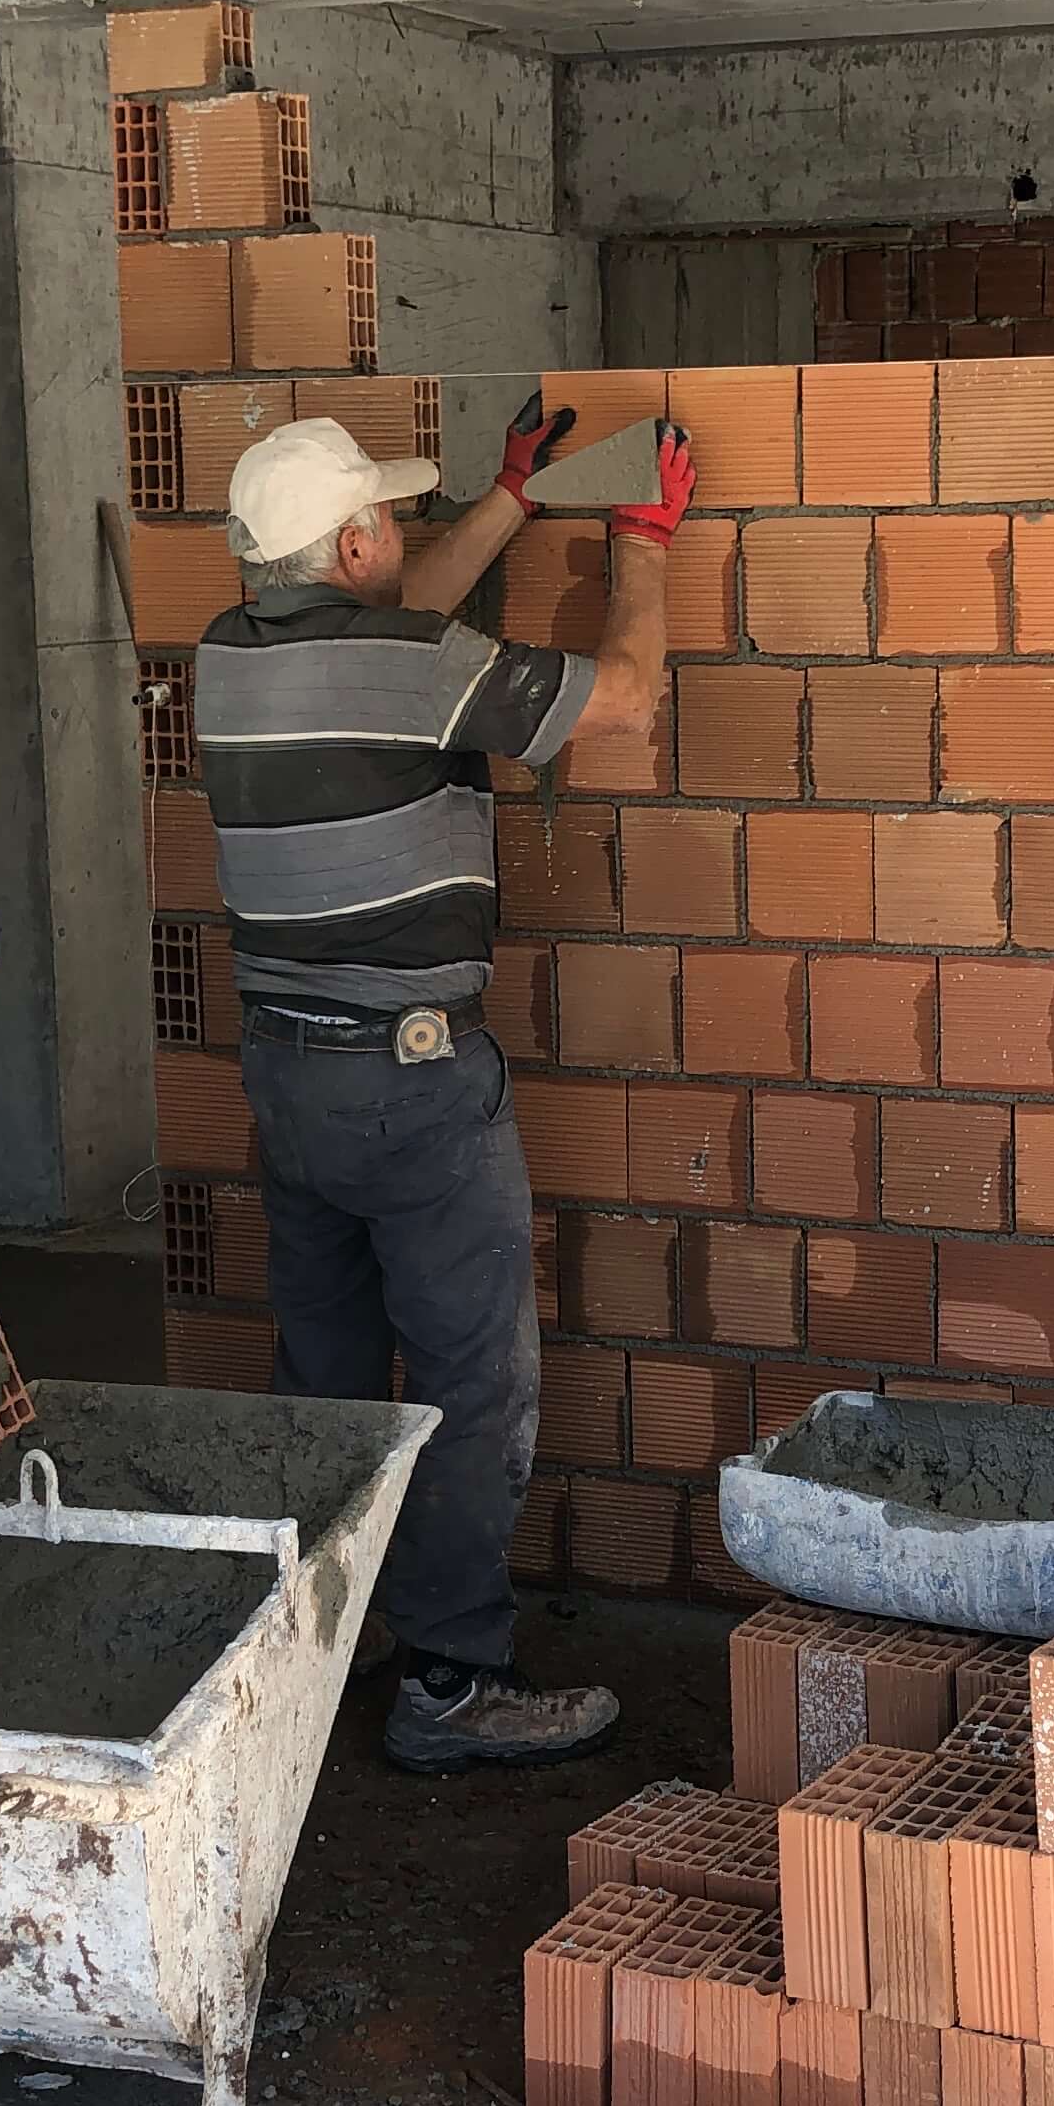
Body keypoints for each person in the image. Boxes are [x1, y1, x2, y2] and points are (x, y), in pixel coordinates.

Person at [192, 400, 685, 1770]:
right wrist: (642, 544)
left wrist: (511, 500)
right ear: (354, 545)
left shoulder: (227, 656)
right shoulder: (410, 668)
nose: (405, 536)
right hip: (410, 1090)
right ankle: (455, 1684)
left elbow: (401, 630)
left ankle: (314, 1661)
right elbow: (624, 698)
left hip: (286, 1078)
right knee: (473, 1384)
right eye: (392, 522)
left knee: (328, 1379)